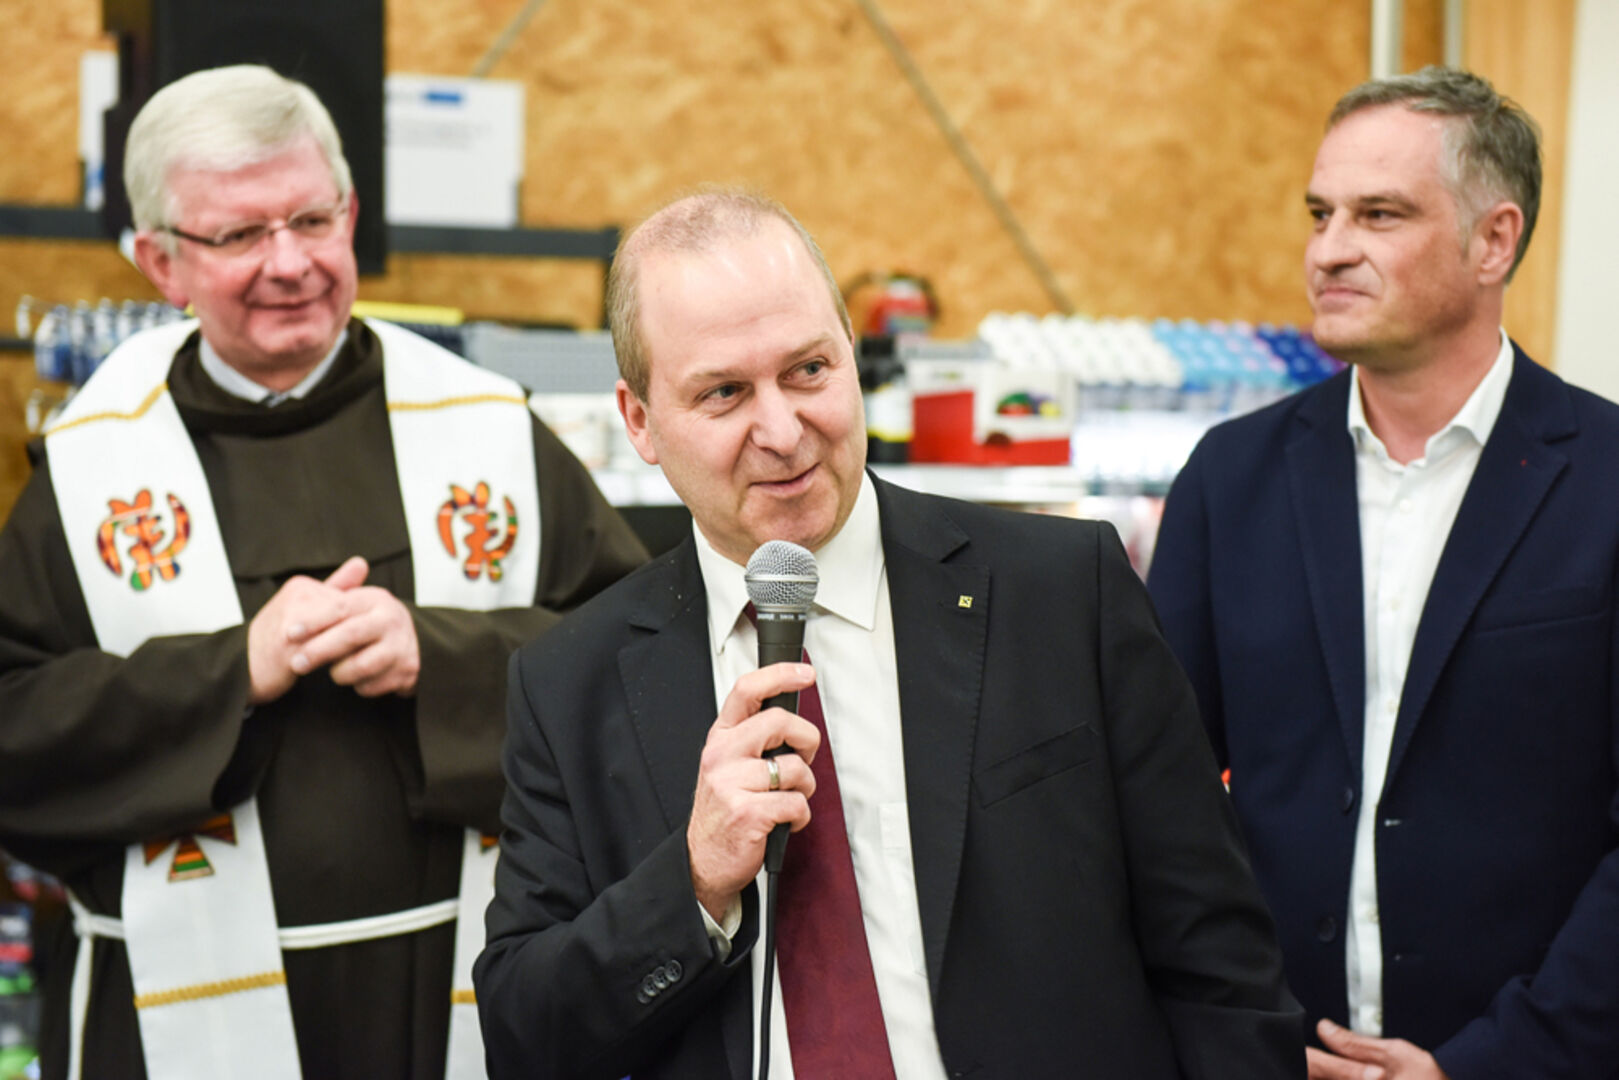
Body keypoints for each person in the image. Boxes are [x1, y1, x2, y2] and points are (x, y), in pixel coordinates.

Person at [474, 188, 1305, 1079]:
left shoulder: (1063, 592)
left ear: (850, 354)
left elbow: (1219, 963)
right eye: (723, 393)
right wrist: (693, 882)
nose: (783, 432)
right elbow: (527, 1034)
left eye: (808, 370)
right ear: (638, 420)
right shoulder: (570, 683)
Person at [0, 65, 647, 1080]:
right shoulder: (91, 471)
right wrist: (230, 675)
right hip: (175, 1015)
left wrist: (437, 657)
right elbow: (17, 734)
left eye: (311, 219)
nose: (290, 262)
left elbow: (636, 669)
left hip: (452, 987)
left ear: (350, 214)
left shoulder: (483, 429)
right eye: (239, 235)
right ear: (160, 262)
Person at [1148, 67, 1619, 1080]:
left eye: (1378, 215)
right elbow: (1157, 806)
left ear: (1492, 240)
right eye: (1318, 214)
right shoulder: (1229, 480)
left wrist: (1489, 1064)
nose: (1328, 250)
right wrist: (1249, 1035)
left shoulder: (1606, 480)